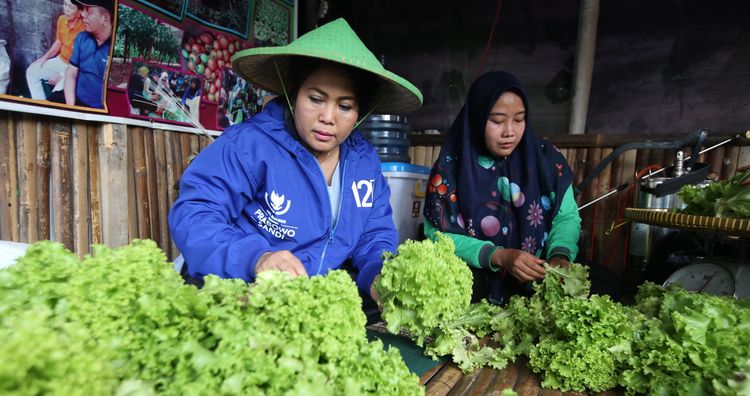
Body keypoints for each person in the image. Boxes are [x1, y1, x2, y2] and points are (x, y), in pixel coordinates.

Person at [168, 18, 423, 304]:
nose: (328, 117)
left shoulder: (364, 164)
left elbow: (374, 235)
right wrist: (256, 257)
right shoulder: (250, 145)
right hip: (237, 295)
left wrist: (378, 275)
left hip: (306, 305)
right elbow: (195, 214)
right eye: (316, 99)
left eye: (344, 106)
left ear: (359, 112)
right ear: (293, 95)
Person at [423, 71, 582, 305]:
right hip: (477, 281)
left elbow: (566, 217)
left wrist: (559, 256)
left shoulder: (547, 160)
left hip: (537, 277)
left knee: (604, 284)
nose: (509, 131)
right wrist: (498, 256)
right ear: (477, 118)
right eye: (497, 121)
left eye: (519, 119)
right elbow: (437, 235)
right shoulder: (450, 168)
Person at [51, 0, 113, 108]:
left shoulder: (113, 48)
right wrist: (71, 107)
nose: (82, 14)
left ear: (105, 18)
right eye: (82, 9)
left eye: (88, 11)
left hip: (98, 110)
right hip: (75, 99)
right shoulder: (82, 38)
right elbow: (71, 73)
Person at [25, 0, 84, 100]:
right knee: (32, 71)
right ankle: (40, 106)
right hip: (60, 60)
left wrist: (62, 75)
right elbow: (58, 42)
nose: (66, 9)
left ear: (79, 12)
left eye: (71, 7)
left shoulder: (84, 27)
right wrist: (44, 58)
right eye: (65, 4)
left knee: (58, 91)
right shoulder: (61, 19)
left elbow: (82, 61)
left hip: (74, 68)